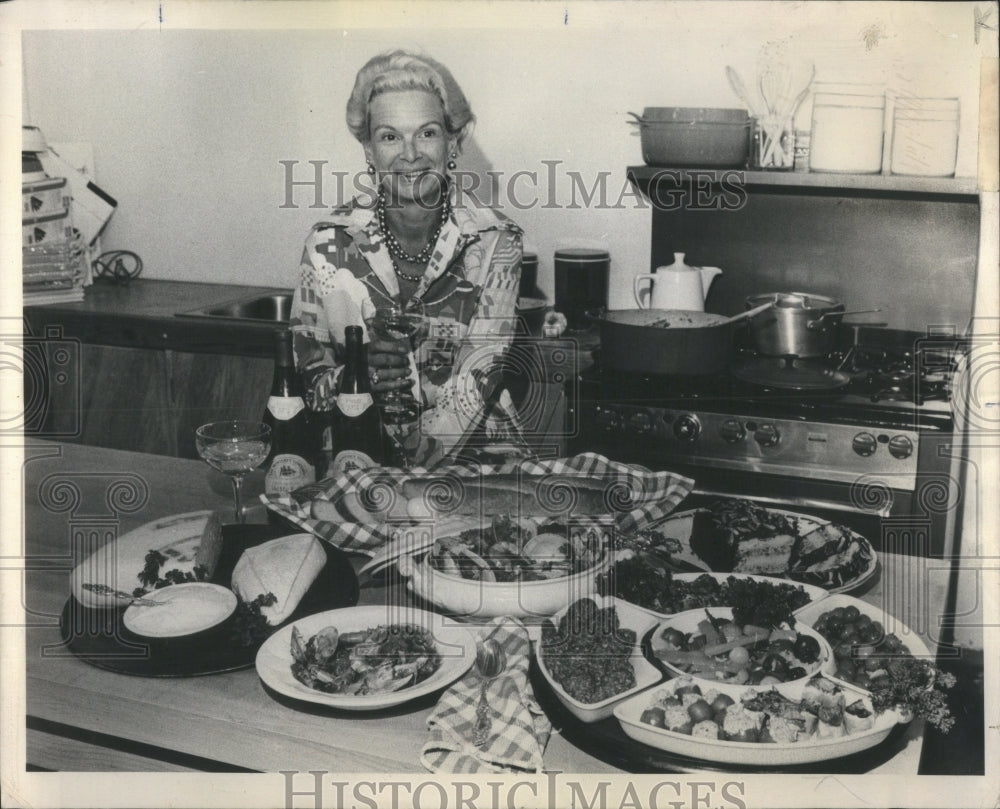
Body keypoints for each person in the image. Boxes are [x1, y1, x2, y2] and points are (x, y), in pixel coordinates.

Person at [289, 49, 523, 468]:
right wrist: (358, 377)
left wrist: (409, 477)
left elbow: (479, 380)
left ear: (453, 141)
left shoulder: (495, 242)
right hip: (354, 459)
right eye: (390, 136)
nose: (410, 153)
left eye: (427, 133)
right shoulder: (327, 243)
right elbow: (306, 383)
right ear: (368, 149)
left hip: (476, 466)